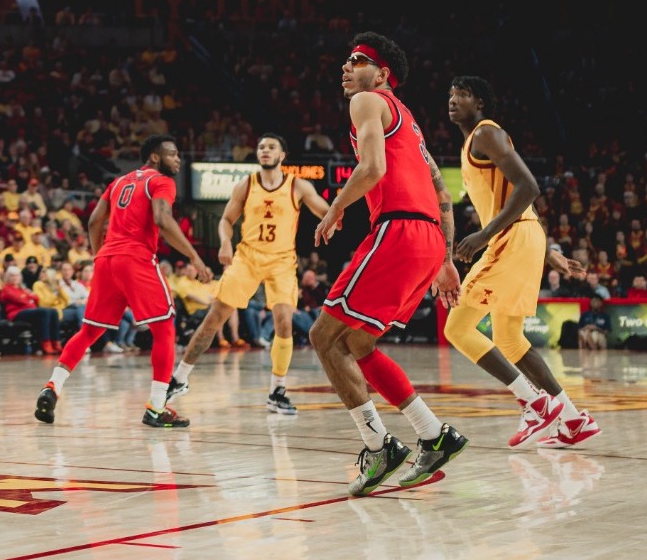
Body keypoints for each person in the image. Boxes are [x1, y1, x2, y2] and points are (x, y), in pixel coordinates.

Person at [310, 34, 467, 497]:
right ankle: (433, 434)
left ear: (381, 75)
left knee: (323, 336)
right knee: (358, 341)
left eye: (357, 60)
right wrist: (443, 259)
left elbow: (373, 169)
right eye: (346, 59)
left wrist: (335, 207)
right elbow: (442, 193)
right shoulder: (410, 119)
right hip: (426, 238)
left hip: (398, 229)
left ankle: (378, 445)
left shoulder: (366, 101)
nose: (346, 67)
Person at [445, 76, 600, 448]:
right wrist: (550, 254)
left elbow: (530, 186)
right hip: (524, 236)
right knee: (510, 340)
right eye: (451, 95)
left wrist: (484, 235)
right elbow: (523, 204)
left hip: (510, 238)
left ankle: (535, 403)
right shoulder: (474, 141)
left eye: (462, 95)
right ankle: (573, 419)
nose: (453, 101)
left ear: (480, 103)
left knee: (457, 328)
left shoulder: (486, 133)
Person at [33, 135, 210, 428]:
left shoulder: (118, 182)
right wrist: (195, 257)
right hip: (136, 258)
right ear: (155, 157)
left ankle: (53, 386)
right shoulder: (161, 181)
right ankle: (156, 407)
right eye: (173, 154)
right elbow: (163, 219)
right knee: (165, 329)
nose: (178, 159)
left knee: (89, 332)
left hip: (107, 259)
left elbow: (93, 222)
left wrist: (98, 254)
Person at [167, 133, 329, 416]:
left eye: (271, 147)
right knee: (214, 317)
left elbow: (324, 209)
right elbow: (226, 221)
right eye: (261, 147)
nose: (265, 151)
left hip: (281, 260)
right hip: (247, 257)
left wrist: (332, 217)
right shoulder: (247, 184)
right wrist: (226, 242)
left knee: (284, 321)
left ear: (282, 155)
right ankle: (179, 378)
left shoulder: (298, 185)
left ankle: (277, 390)